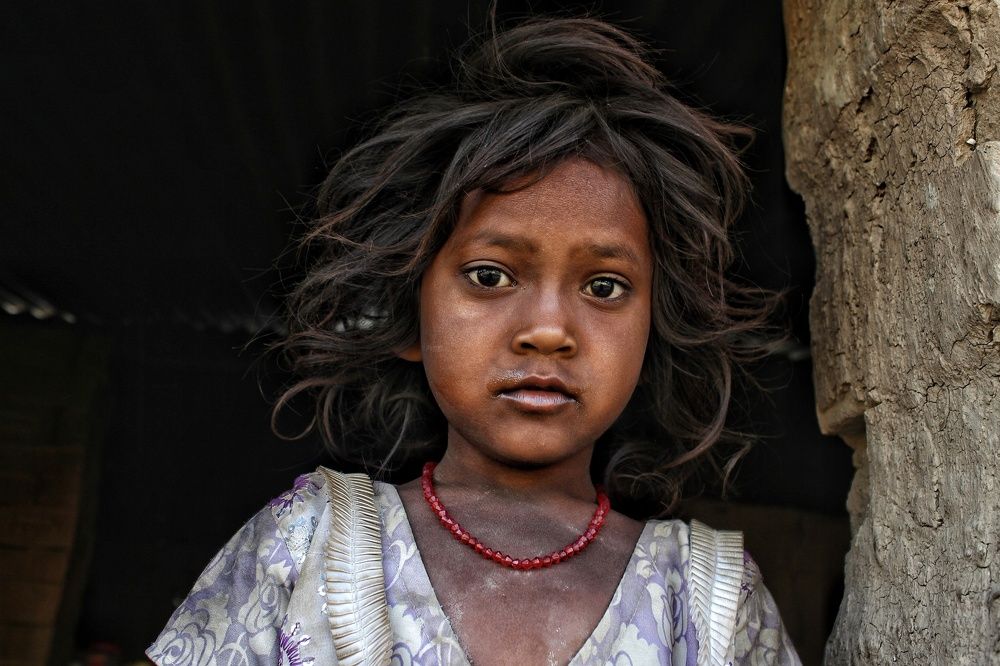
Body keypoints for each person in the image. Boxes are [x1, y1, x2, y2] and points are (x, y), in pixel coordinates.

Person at [147, 15, 800, 666]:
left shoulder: (709, 602)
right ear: (409, 318)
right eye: (490, 276)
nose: (548, 330)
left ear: (652, 331)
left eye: (604, 287)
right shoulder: (307, 544)